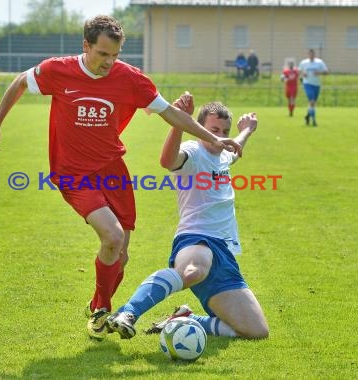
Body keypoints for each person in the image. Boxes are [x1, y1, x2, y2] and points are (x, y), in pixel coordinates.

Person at [0, 15, 240, 341]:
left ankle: (97, 304)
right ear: (86, 46)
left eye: (115, 55)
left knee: (121, 256)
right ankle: (102, 309)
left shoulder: (130, 78)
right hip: (73, 173)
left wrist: (213, 138)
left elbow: (169, 113)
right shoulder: (58, 70)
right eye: (102, 54)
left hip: (112, 171)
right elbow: (20, 81)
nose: (108, 62)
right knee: (113, 237)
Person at [106, 91, 269, 340]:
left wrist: (246, 131)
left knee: (256, 331)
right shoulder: (192, 152)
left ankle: (186, 319)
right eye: (214, 130)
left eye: (225, 132)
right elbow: (167, 160)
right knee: (193, 271)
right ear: (200, 129)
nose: (220, 137)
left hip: (224, 250)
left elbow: (234, 151)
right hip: (196, 237)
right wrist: (180, 121)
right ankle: (127, 313)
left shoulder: (223, 153)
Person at [298, 49, 328, 126]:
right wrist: (303, 73)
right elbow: (298, 71)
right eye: (309, 55)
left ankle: (307, 116)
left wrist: (319, 72)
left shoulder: (319, 62)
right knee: (311, 101)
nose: (311, 56)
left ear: (314, 55)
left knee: (313, 103)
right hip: (307, 84)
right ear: (308, 55)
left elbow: (326, 71)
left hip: (316, 84)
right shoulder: (304, 63)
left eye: (312, 54)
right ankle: (314, 120)